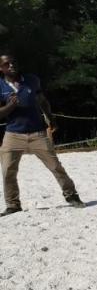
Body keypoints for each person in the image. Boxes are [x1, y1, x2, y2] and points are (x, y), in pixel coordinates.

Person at [0, 52, 85, 215]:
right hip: (12, 135)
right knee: (8, 171)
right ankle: (13, 205)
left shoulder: (32, 80)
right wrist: (10, 106)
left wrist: (50, 118)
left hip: (38, 133)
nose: (11, 65)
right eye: (6, 64)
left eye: (13, 62)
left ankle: (71, 195)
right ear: (1, 68)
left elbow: (42, 100)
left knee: (55, 166)